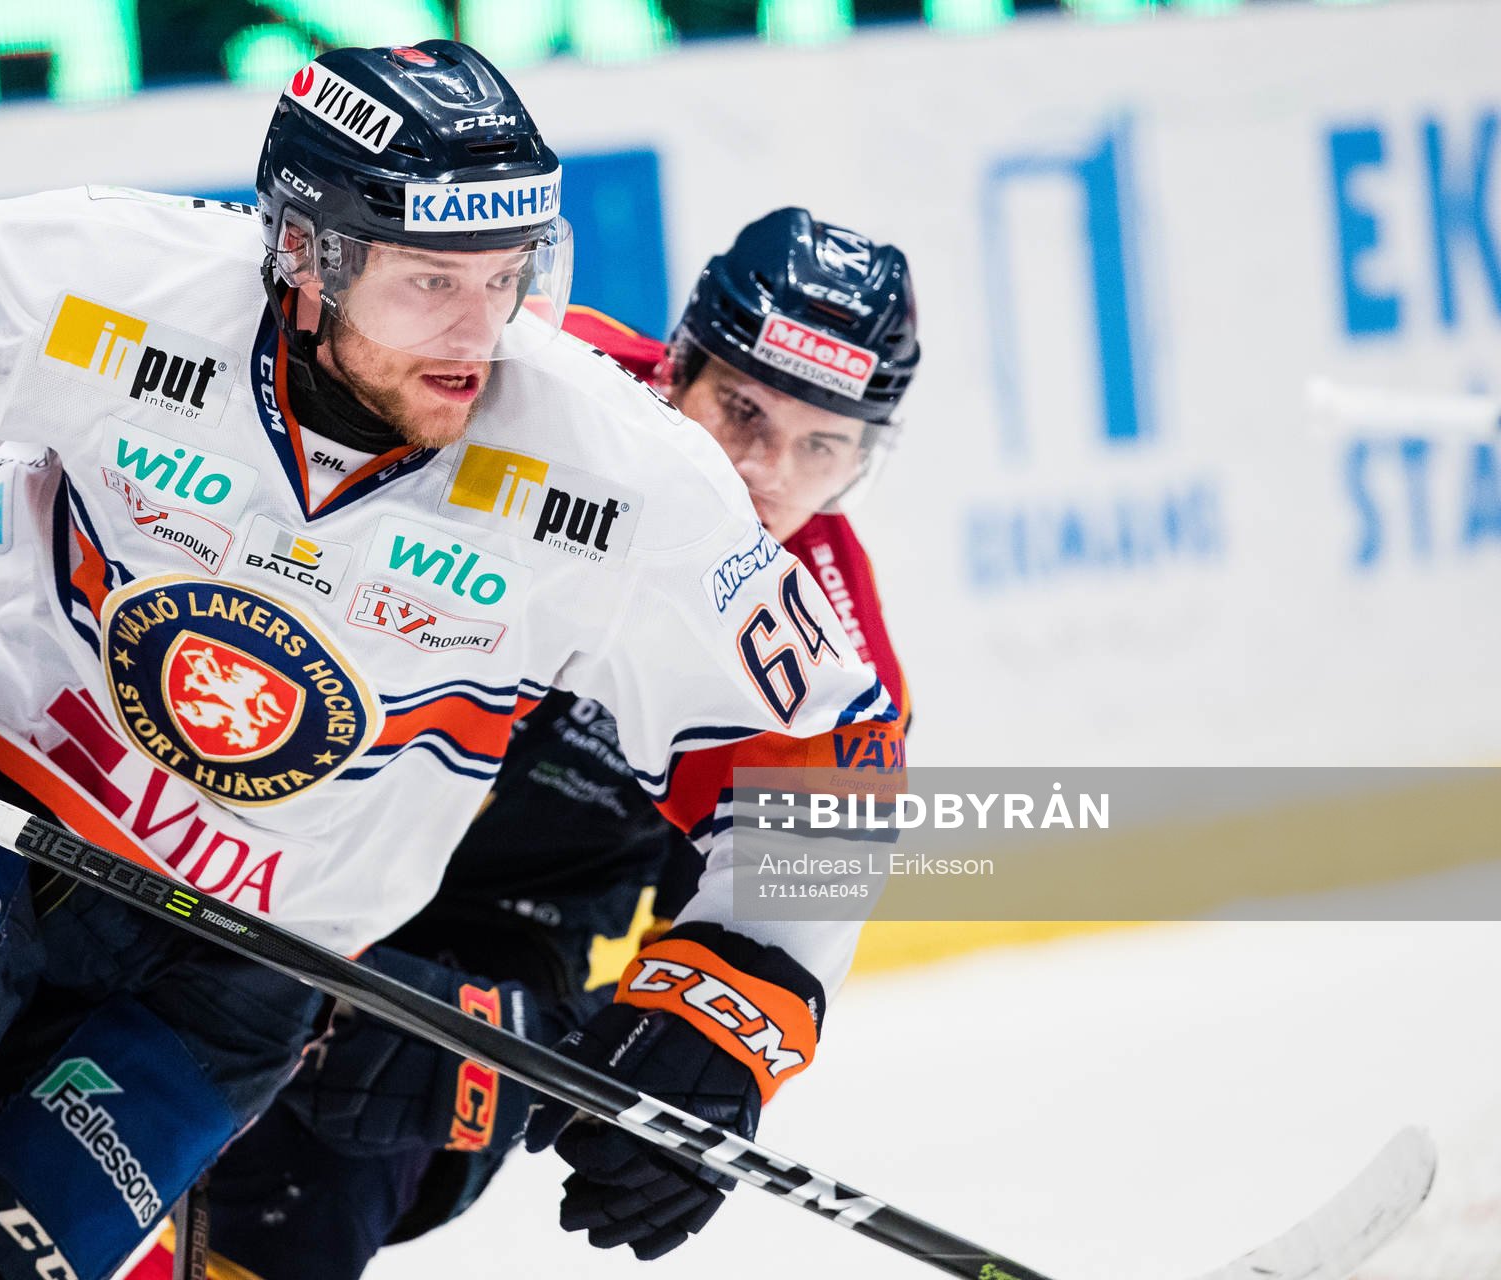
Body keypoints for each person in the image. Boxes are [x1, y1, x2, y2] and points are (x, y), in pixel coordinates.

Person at [0, 40, 902, 1280]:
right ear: (306, 252)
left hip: (243, 968)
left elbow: (835, 745)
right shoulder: (113, 276)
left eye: (510, 273)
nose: (481, 329)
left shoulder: (619, 473)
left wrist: (737, 1003)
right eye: (430, 280)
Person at [126, 207, 921, 1279]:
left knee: (336, 1152)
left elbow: (771, 921)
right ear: (677, 369)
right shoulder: (530, 380)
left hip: (489, 953)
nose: (764, 473)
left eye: (821, 444)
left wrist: (700, 1064)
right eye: (740, 409)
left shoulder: (823, 654)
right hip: (254, 824)